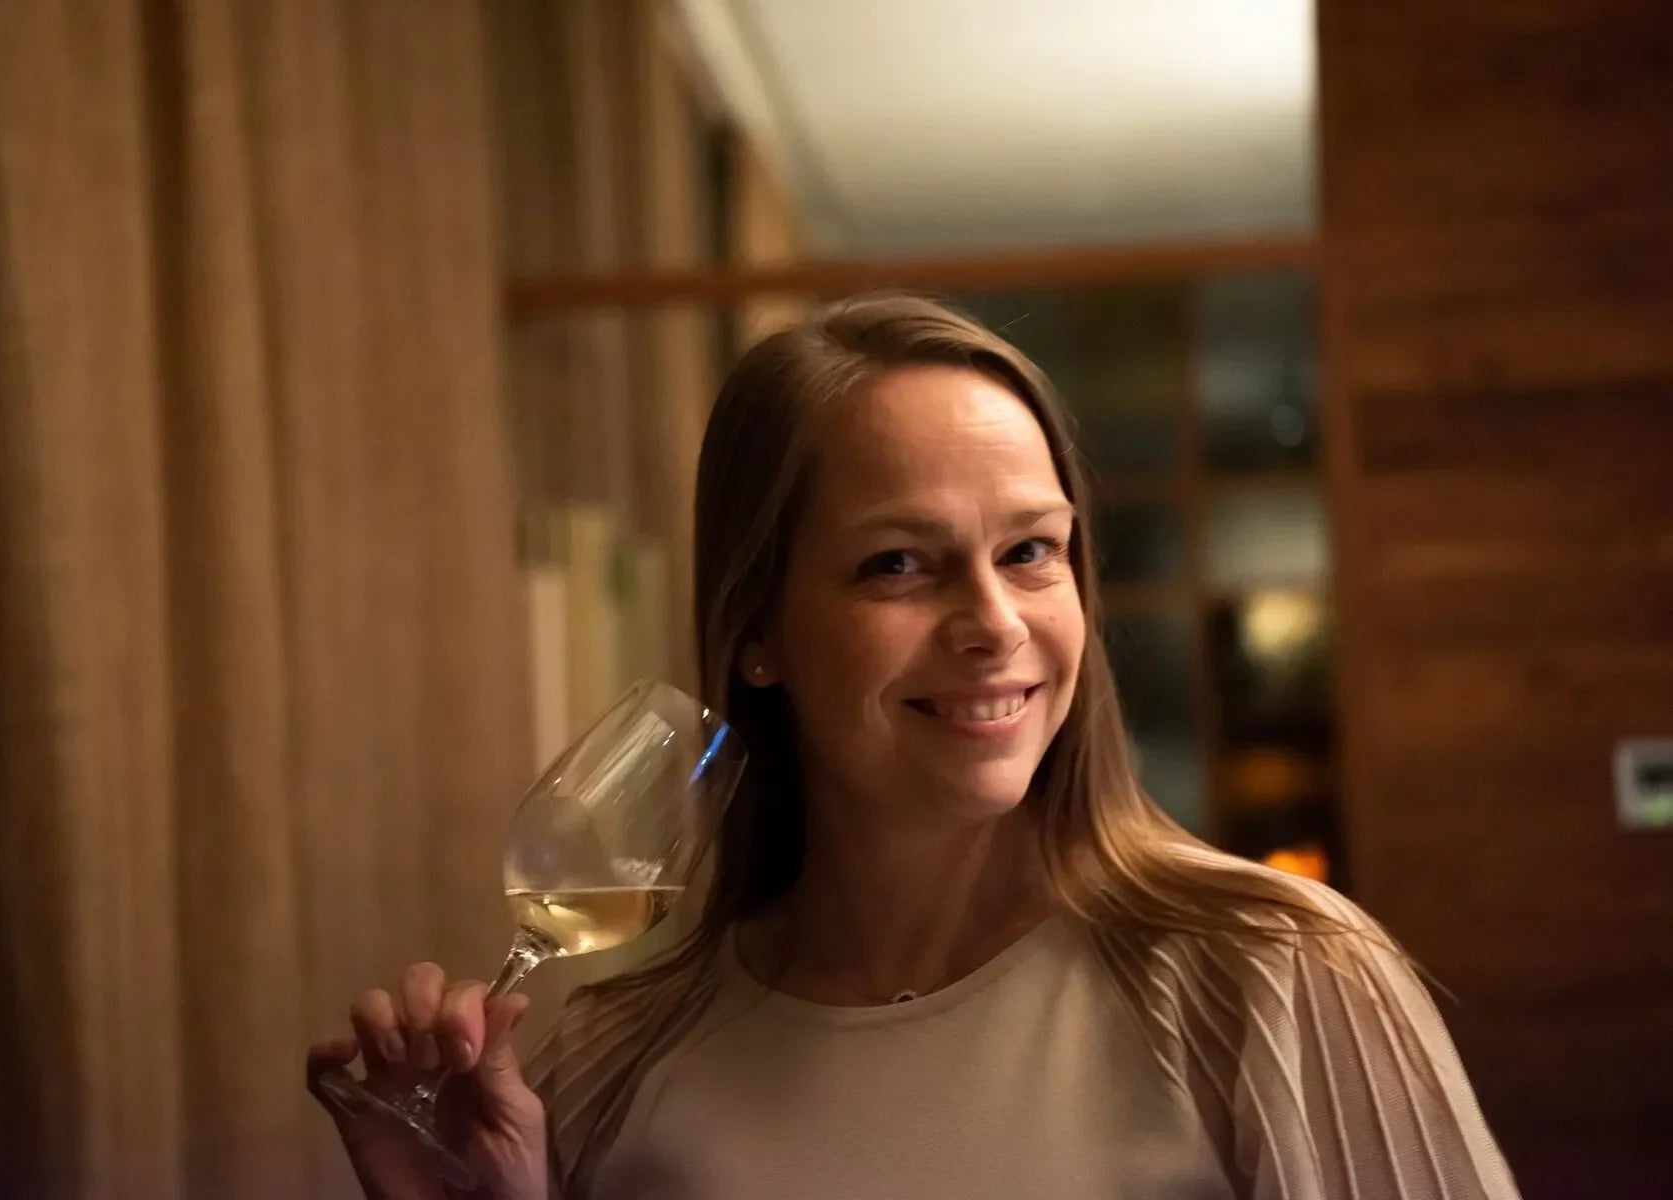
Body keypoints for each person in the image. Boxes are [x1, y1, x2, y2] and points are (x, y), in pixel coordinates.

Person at [307, 294, 1520, 1200]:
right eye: (898, 563)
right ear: (759, 632)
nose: (994, 625)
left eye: (1031, 550)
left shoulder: (1276, 978)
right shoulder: (610, 1061)